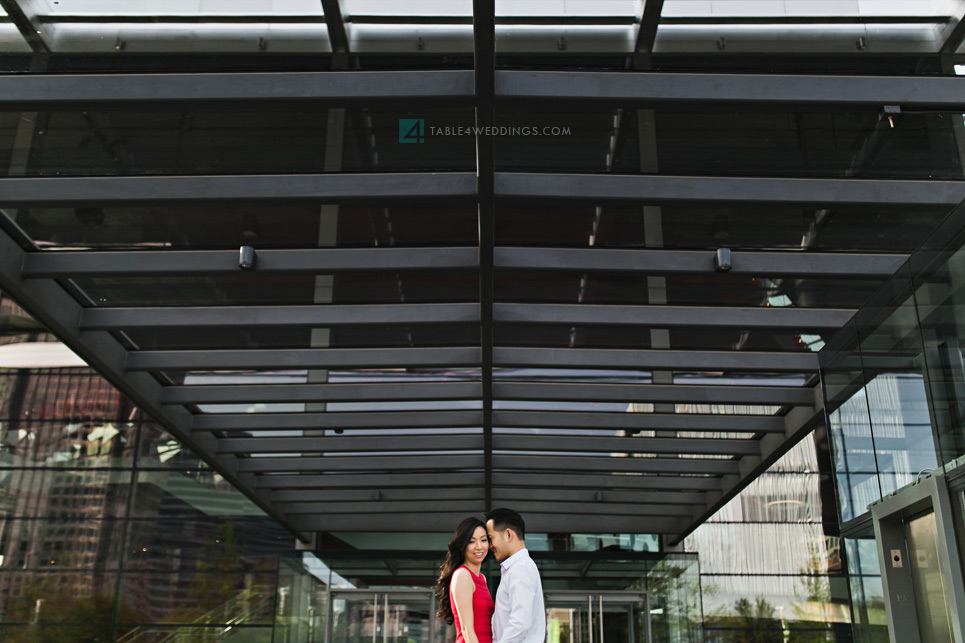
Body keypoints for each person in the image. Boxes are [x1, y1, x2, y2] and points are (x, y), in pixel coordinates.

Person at [485, 508, 545, 643]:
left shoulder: (521, 568)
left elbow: (520, 623)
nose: (489, 546)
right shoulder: (517, 568)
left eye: (491, 538)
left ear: (508, 534)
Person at [435, 517, 495, 643]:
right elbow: (467, 629)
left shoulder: (481, 578)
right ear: (462, 545)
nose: (479, 547)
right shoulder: (463, 575)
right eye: (471, 541)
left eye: (483, 540)